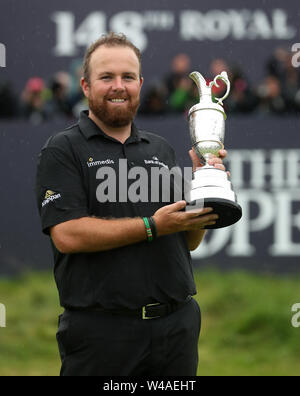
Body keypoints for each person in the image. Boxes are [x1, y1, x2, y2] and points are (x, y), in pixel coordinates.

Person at [35, 32, 228, 376]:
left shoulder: (161, 149)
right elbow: (67, 234)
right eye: (106, 77)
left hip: (176, 328)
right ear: (85, 85)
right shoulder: (62, 150)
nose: (118, 86)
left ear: (139, 83)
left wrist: (201, 186)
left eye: (127, 77)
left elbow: (189, 240)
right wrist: (153, 227)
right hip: (102, 334)